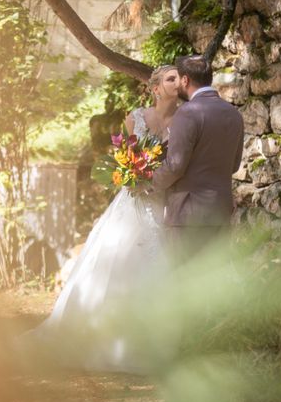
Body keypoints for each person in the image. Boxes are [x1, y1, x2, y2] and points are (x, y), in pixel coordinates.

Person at [20, 66, 180, 374]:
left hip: (163, 201)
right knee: (115, 261)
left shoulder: (185, 119)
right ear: (157, 87)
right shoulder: (136, 118)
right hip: (133, 200)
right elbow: (125, 155)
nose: (179, 82)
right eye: (171, 78)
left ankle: (155, 344)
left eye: (179, 78)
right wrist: (132, 174)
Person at [151, 55, 244, 265]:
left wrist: (152, 182)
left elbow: (175, 166)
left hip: (188, 214)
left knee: (184, 282)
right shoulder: (234, 114)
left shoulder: (188, 112)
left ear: (185, 80)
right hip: (220, 212)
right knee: (212, 282)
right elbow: (235, 165)